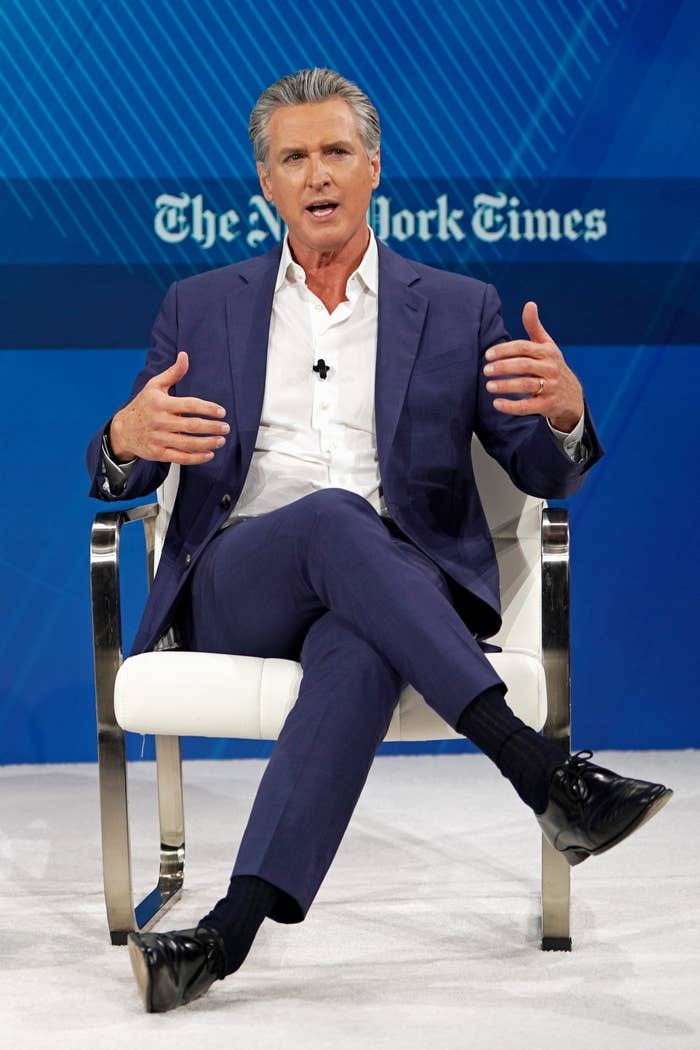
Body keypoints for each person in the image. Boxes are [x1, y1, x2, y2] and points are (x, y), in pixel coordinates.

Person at [87, 68, 672, 1013]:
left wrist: (568, 419)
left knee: (357, 643)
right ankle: (542, 772)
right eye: (294, 157)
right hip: (243, 580)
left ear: (373, 169)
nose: (317, 174)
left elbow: (539, 471)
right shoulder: (198, 305)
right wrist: (123, 440)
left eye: (336, 152)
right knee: (330, 515)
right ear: (266, 183)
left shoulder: (456, 304)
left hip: (398, 590)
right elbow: (128, 467)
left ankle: (221, 940)